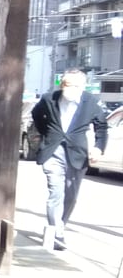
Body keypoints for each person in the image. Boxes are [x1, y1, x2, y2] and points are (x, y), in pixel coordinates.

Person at [30, 68, 109, 250]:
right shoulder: (49, 99)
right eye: (67, 84)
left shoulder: (91, 102)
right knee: (55, 193)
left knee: (71, 196)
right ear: (62, 84)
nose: (71, 88)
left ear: (83, 86)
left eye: (76, 85)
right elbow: (36, 116)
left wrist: (98, 148)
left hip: (77, 154)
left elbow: (102, 126)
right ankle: (56, 233)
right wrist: (47, 133)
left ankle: (60, 225)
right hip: (53, 152)